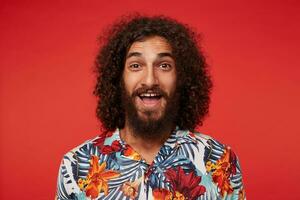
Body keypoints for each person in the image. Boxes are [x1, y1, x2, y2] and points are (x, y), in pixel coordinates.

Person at [56, 14, 246, 200]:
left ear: (181, 78)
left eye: (164, 66)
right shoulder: (76, 165)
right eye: (136, 65)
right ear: (118, 79)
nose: (149, 80)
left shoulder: (219, 160)